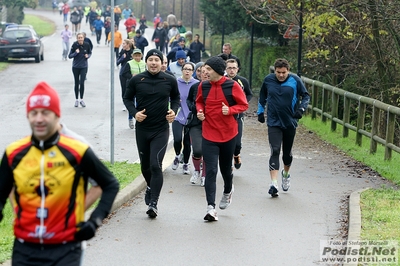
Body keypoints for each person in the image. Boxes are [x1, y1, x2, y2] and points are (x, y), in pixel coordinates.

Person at [0, 81, 119, 265]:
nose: (39, 119)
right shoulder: (13, 153)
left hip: (65, 249)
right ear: (28, 116)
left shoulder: (77, 150)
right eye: (34, 113)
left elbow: (110, 184)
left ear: (57, 116)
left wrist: (94, 221)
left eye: (45, 113)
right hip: (24, 249)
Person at [123, 49, 180, 218]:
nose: (154, 63)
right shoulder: (136, 80)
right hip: (143, 129)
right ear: (146, 62)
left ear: (162, 63)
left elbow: (176, 98)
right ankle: (150, 186)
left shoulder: (169, 79)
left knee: (156, 165)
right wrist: (135, 113)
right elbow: (127, 98)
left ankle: (153, 203)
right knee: (145, 166)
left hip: (160, 129)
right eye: (151, 60)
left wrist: (173, 111)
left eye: (157, 60)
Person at [195, 56, 248, 221]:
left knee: (226, 169)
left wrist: (231, 110)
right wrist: (200, 112)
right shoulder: (203, 86)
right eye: (205, 69)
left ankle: (228, 190)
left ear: (217, 70)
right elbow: (199, 102)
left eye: (208, 69)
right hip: (209, 133)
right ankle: (211, 208)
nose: (205, 72)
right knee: (211, 170)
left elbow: (244, 105)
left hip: (228, 134)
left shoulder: (232, 86)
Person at [257, 58, 310, 197]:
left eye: (284, 72)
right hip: (274, 121)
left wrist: (301, 110)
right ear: (275, 71)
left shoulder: (295, 80)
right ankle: (273, 183)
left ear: (288, 71)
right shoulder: (268, 80)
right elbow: (262, 96)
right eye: (278, 72)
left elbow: (306, 96)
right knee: (275, 150)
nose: (281, 75)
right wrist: (260, 112)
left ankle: (285, 174)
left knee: (287, 154)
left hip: (289, 121)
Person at [225, 59, 253, 169]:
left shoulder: (242, 81)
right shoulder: (222, 80)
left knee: (237, 143)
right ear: (225, 69)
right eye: (229, 68)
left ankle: (236, 155)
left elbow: (250, 94)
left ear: (238, 69)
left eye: (234, 68)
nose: (232, 70)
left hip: (238, 115)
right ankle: (228, 163)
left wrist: (243, 102)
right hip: (225, 115)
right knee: (226, 140)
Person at [171, 62, 199, 175]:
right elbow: (170, 97)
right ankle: (178, 155)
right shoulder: (176, 82)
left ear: (193, 72)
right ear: (182, 70)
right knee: (177, 139)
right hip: (178, 116)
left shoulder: (196, 84)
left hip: (190, 117)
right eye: (185, 69)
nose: (187, 71)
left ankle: (186, 164)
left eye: (190, 69)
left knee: (187, 143)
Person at [186, 62, 208, 186]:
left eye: (206, 72)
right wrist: (194, 108)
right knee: (198, 150)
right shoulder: (195, 86)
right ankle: (196, 170)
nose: (204, 74)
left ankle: (204, 175)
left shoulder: (216, 87)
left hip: (211, 123)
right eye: (201, 72)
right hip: (195, 122)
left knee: (207, 151)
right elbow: (189, 100)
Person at [121, 49, 146, 128]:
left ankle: (139, 119)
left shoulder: (144, 63)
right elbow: (124, 73)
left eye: (139, 55)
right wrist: (131, 76)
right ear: (133, 56)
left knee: (140, 104)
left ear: (141, 56)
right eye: (135, 55)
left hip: (141, 86)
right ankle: (130, 119)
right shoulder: (129, 63)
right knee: (132, 104)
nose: (137, 57)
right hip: (132, 85)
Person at [69, 33, 92, 107]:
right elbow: (70, 56)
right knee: (76, 83)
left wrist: (87, 56)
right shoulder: (74, 45)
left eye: (81, 37)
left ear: (83, 38)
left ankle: (81, 99)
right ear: (77, 38)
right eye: (79, 38)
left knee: (82, 83)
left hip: (84, 66)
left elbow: (90, 53)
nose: (80, 39)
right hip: (75, 67)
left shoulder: (87, 44)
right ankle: (76, 99)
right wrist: (75, 53)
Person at [117, 39, 135, 111]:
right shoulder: (122, 52)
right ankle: (125, 104)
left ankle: (132, 103)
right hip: (123, 74)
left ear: (128, 45)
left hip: (131, 73)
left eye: (124, 43)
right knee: (124, 89)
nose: (122, 45)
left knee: (132, 89)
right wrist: (122, 58)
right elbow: (117, 62)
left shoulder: (133, 52)